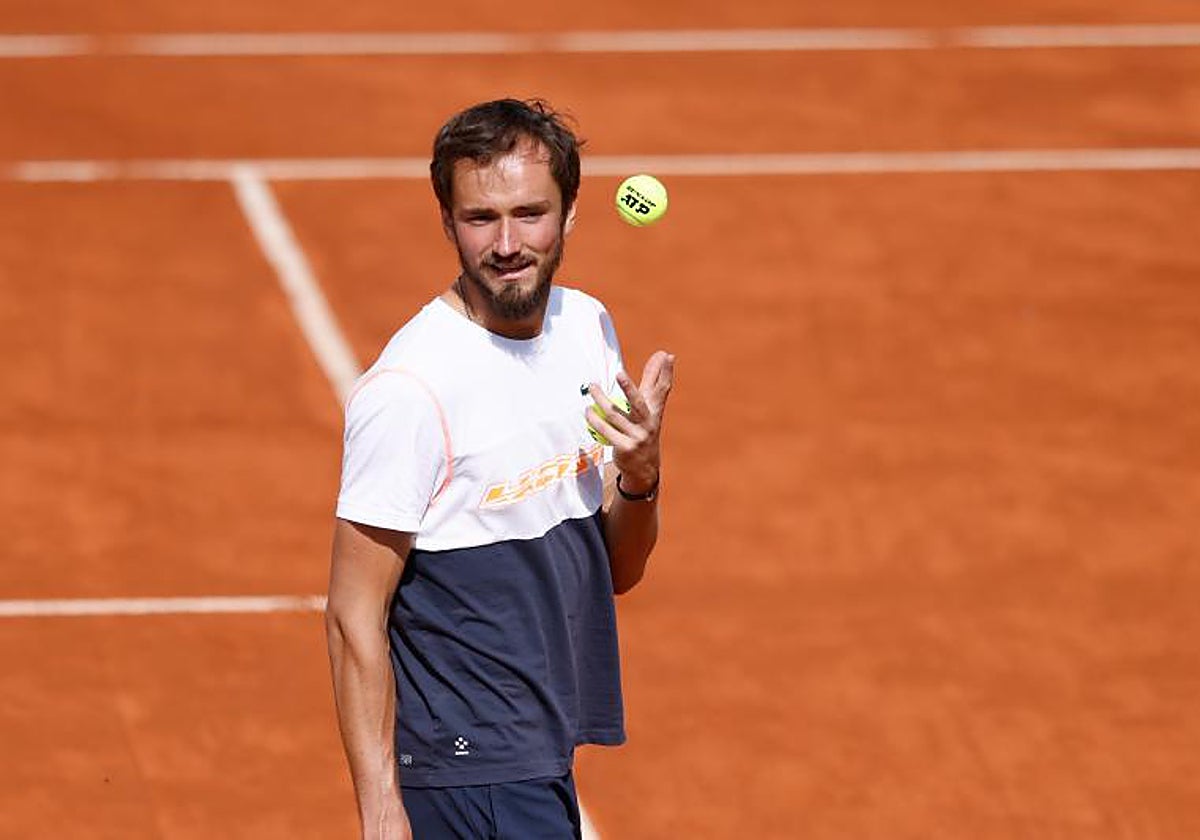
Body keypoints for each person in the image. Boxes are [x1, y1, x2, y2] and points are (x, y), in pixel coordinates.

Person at [325, 98, 675, 840]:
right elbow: (354, 612)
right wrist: (382, 809)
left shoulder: (588, 330)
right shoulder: (410, 391)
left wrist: (641, 475)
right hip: (466, 764)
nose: (508, 242)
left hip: (540, 740)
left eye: (529, 213)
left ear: (569, 215)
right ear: (447, 221)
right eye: (481, 218)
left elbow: (618, 569)